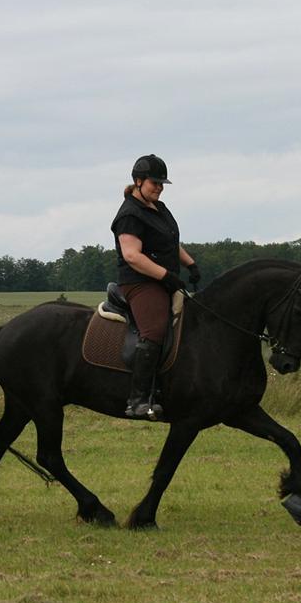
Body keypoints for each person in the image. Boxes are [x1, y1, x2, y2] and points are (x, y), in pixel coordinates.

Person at [110, 154, 201, 420]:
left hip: (162, 279)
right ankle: (138, 400)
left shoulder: (159, 208)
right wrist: (165, 276)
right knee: (154, 330)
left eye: (162, 183)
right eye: (154, 183)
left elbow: (170, 244)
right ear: (138, 181)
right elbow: (132, 256)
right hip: (139, 283)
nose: (159, 188)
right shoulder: (129, 214)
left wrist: (191, 264)